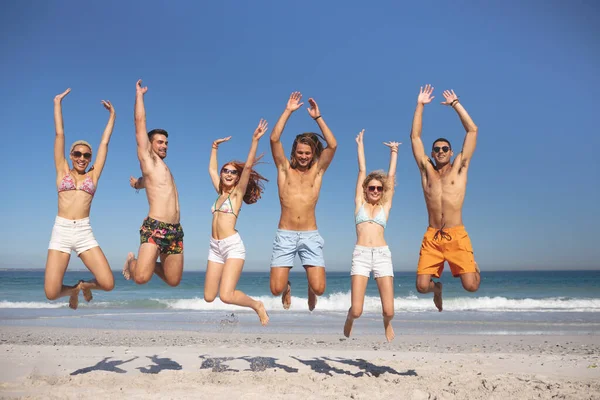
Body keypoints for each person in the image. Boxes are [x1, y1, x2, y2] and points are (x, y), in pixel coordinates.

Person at [410, 84, 481, 312]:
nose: (440, 151)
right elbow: (415, 137)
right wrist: (420, 105)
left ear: (451, 152)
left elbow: (472, 131)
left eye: (445, 148)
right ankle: (437, 289)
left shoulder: (460, 168)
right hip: (432, 236)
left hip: (456, 235)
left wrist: (455, 105)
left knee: (471, 286)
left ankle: (474, 266)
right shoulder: (426, 171)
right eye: (437, 149)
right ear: (432, 153)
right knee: (422, 287)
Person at [45, 88, 116, 309]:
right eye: (77, 154)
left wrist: (112, 116)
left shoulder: (93, 175)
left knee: (107, 283)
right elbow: (59, 134)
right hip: (62, 230)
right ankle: (74, 290)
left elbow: (104, 144)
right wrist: (57, 103)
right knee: (51, 292)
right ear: (71, 155)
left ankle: (85, 285)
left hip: (84, 231)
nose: (82, 158)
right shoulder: (62, 171)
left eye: (86, 155)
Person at [269, 91, 337, 311]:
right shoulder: (284, 170)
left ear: (313, 153)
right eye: (300, 152)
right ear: (294, 152)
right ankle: (288, 287)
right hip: (286, 234)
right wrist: (288, 111)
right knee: (275, 289)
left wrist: (318, 118)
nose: (304, 156)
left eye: (308, 153)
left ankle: (309, 287)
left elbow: (333, 146)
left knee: (319, 289)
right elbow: (274, 139)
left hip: (310, 234)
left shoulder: (317, 172)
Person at [205, 120, 270, 326]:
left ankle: (256, 305)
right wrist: (214, 147)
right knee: (208, 296)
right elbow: (211, 170)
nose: (228, 174)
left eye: (233, 172)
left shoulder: (236, 194)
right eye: (226, 170)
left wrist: (254, 140)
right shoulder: (219, 192)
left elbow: (249, 165)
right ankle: (252, 305)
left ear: (237, 177)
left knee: (226, 295)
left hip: (232, 246)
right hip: (214, 247)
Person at [123, 80, 184, 287]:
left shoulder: (161, 168)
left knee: (173, 280)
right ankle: (132, 263)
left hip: (175, 230)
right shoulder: (147, 159)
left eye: (166, 142)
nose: (164, 145)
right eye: (160, 142)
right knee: (141, 278)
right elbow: (139, 123)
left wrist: (137, 184)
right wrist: (139, 95)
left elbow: (149, 183)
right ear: (149, 144)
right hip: (155, 227)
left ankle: (143, 264)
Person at [343, 129, 400, 342]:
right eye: (371, 188)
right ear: (365, 189)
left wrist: (394, 152)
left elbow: (391, 178)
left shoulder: (385, 206)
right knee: (357, 310)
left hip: (382, 255)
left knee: (389, 311)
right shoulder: (360, 204)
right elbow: (361, 170)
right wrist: (360, 145)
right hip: (361, 255)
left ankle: (387, 323)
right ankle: (350, 318)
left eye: (378, 188)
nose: (375, 190)